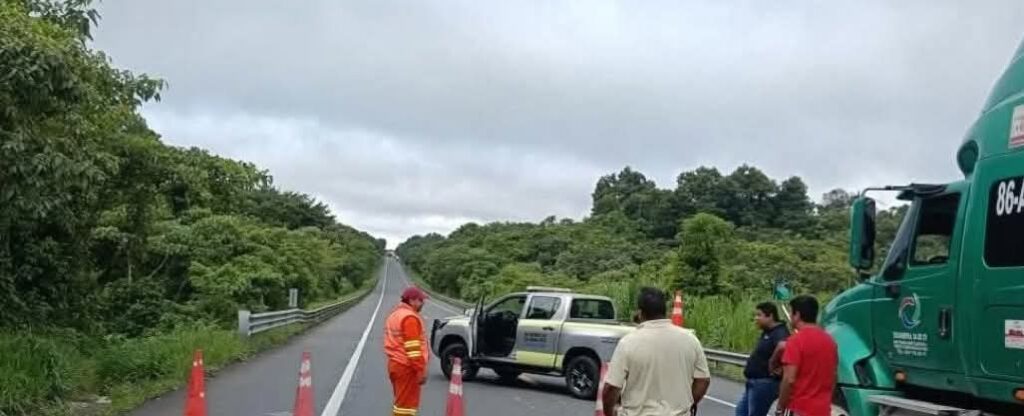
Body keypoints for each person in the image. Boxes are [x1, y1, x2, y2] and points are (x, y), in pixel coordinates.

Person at [602, 287, 711, 416]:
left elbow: (611, 388)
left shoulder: (628, 343)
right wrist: (689, 404)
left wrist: (609, 413)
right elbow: (703, 380)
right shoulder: (690, 340)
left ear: (640, 313)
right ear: (665, 311)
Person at [776, 295, 837, 416]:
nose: (790, 317)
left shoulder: (796, 341)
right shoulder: (830, 341)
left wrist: (780, 407)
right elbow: (834, 376)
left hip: (800, 408)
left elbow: (789, 379)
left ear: (797, 314)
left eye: (791, 313)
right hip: (823, 410)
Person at [736, 302, 790, 416]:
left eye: (759, 315)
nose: (756, 318)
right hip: (754, 383)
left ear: (770, 316)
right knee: (741, 412)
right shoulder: (768, 332)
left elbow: (784, 346)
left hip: (765, 383)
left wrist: (774, 363)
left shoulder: (780, 332)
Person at [384, 287, 430, 416]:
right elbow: (413, 349)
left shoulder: (394, 314)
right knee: (406, 408)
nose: (423, 303)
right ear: (412, 300)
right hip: (407, 367)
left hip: (395, 364)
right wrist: (420, 370)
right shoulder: (409, 318)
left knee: (401, 404)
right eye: (421, 300)